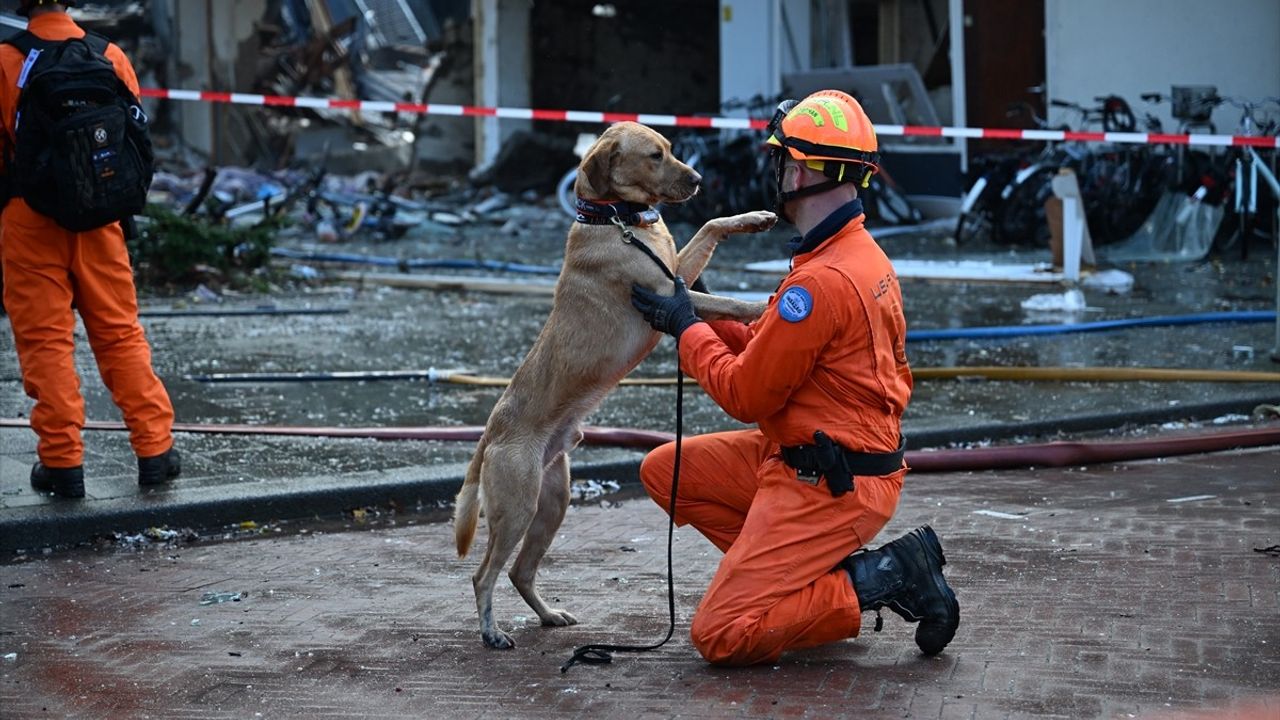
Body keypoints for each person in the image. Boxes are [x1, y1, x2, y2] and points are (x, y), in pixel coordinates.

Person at [630, 90, 958, 666]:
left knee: (723, 632)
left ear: (800, 169)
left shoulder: (820, 283)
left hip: (830, 482)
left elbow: (744, 392)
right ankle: (802, 586)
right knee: (666, 470)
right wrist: (695, 311)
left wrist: (684, 329)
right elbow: (768, 350)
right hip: (811, 455)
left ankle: (881, 577)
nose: (776, 171)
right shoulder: (848, 256)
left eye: (780, 159)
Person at [0, 0, 179, 499]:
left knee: (46, 343)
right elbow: (134, 139)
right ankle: (155, 451)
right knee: (120, 334)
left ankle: (62, 464)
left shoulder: (6, 60)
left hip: (28, 219)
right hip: (102, 220)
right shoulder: (110, 55)